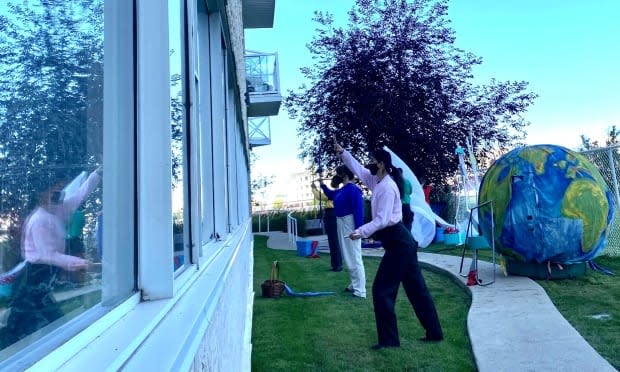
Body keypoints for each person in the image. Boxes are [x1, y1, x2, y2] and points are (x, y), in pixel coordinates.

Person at [334, 138, 443, 349]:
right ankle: (435, 333)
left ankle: (389, 341)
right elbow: (358, 170)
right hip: (402, 242)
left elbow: (382, 220)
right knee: (417, 290)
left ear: (382, 164)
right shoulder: (378, 181)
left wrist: (360, 232)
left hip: (399, 243)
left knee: (382, 290)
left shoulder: (387, 187)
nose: (369, 164)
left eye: (373, 161)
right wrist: (343, 153)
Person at [3, 167, 102, 345]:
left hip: (44, 277)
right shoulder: (39, 220)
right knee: (20, 327)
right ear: (42, 194)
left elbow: (80, 195)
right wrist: (82, 263)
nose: (60, 196)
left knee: (41, 323)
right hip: (33, 277)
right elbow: (49, 256)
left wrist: (97, 174)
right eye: (55, 192)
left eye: (61, 191)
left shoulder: (58, 209)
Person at [319, 165, 366, 298]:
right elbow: (330, 194)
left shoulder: (353, 190)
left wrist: (359, 230)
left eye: (339, 173)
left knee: (354, 255)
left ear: (345, 175)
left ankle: (360, 290)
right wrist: (322, 184)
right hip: (342, 222)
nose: (337, 176)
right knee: (347, 255)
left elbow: (358, 211)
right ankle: (354, 283)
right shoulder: (343, 190)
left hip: (349, 223)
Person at [311, 179, 342, 271]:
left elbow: (320, 196)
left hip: (331, 214)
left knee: (333, 241)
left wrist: (314, 188)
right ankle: (337, 264)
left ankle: (336, 265)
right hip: (334, 214)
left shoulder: (332, 194)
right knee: (335, 240)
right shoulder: (338, 193)